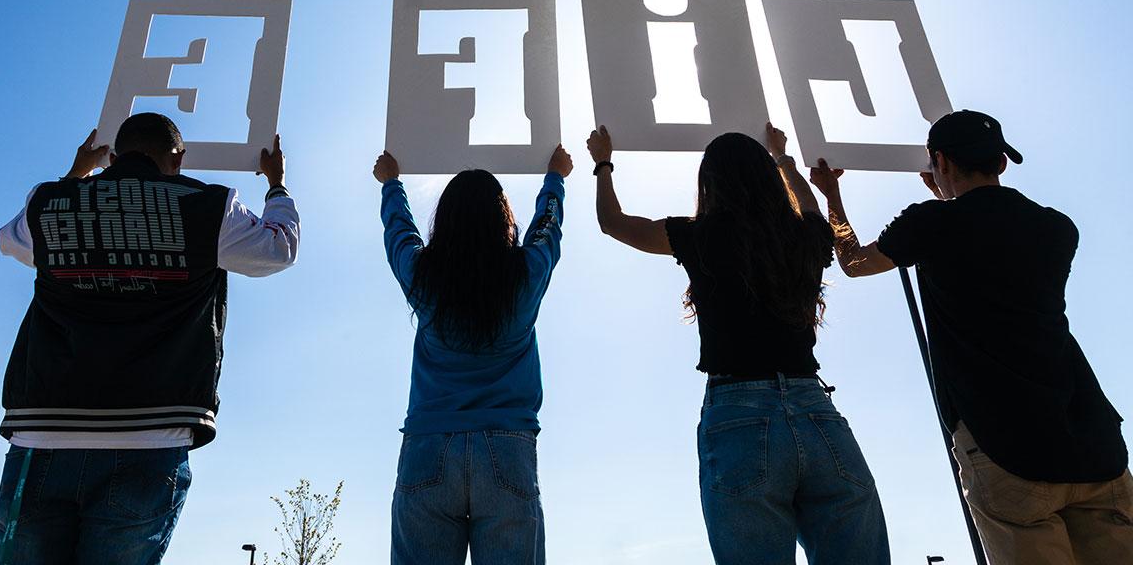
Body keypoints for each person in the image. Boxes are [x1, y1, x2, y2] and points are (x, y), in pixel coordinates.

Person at [808, 109, 1133, 565]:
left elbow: (854, 262)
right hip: (1093, 443)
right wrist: (945, 197)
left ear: (940, 161)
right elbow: (991, 240)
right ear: (1002, 163)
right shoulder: (1059, 228)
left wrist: (832, 196)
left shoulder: (930, 224)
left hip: (1006, 447)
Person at [0, 113, 300, 565]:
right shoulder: (210, 206)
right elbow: (280, 248)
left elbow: (11, 241)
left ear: (112, 157)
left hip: (43, 429)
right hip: (152, 435)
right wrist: (276, 186)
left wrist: (75, 177)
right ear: (178, 158)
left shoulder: (50, 201)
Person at [586, 122, 890, 564]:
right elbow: (809, 208)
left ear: (709, 183)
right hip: (816, 410)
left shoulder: (699, 235)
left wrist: (603, 163)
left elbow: (613, 223)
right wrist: (784, 159)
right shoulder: (804, 235)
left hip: (738, 414)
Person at [373, 145, 572, 565]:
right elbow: (546, 229)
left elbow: (400, 235)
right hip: (507, 448)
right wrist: (555, 178)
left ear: (444, 221)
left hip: (428, 445)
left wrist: (392, 185)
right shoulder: (525, 275)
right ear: (502, 219)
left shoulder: (424, 278)